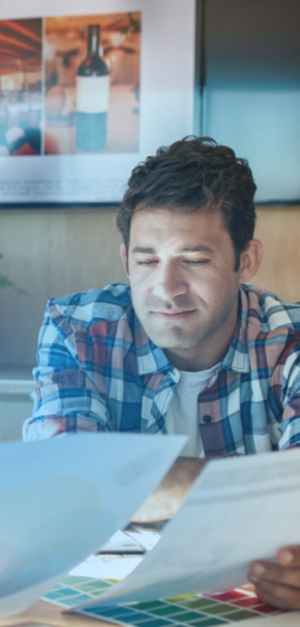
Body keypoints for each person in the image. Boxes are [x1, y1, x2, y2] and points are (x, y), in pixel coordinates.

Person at [24, 137, 300, 609]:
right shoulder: (79, 329)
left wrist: (127, 482)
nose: (166, 289)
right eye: (147, 260)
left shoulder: (289, 342)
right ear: (125, 258)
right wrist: (268, 489)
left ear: (245, 261)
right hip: (104, 605)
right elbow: (61, 483)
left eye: (194, 260)